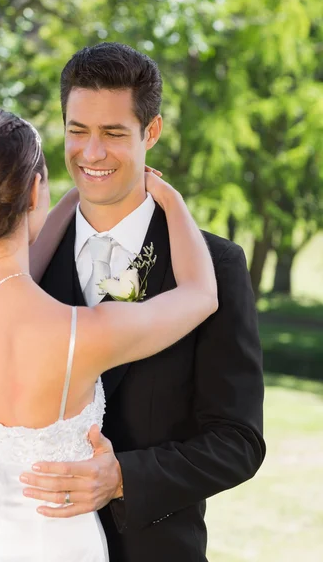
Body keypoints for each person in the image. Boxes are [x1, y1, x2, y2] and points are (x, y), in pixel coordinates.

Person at [0, 107, 218, 561]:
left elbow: (11, 270)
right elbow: (201, 295)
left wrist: (67, 201)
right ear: (34, 189)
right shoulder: (79, 334)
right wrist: (166, 195)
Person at [25, 42, 266, 562]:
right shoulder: (23, 264)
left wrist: (123, 479)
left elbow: (238, 441)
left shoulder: (216, 266)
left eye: (113, 133)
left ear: (150, 131)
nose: (91, 154)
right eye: (77, 130)